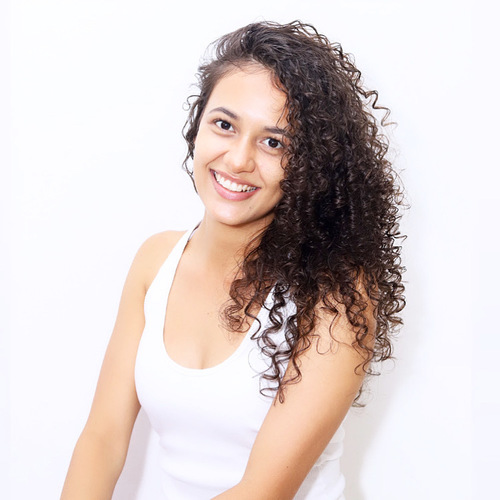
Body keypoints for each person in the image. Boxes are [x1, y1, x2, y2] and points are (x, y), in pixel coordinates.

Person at [61, 20, 405, 500]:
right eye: (224, 125)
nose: (239, 160)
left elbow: (262, 491)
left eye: (274, 142)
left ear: (310, 165)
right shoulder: (155, 261)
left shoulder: (336, 295)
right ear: (196, 127)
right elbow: (103, 438)